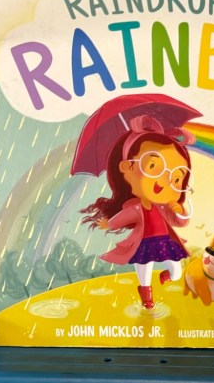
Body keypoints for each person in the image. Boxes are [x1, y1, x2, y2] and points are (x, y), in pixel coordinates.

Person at [82, 115, 194, 309]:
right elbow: (122, 218)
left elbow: (180, 222)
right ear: (127, 168)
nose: (166, 181)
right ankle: (147, 298)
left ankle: (166, 276)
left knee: (176, 272)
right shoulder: (135, 208)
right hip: (143, 244)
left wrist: (180, 210)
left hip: (165, 242)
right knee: (144, 272)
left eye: (177, 178)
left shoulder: (163, 206)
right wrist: (108, 224)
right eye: (153, 166)